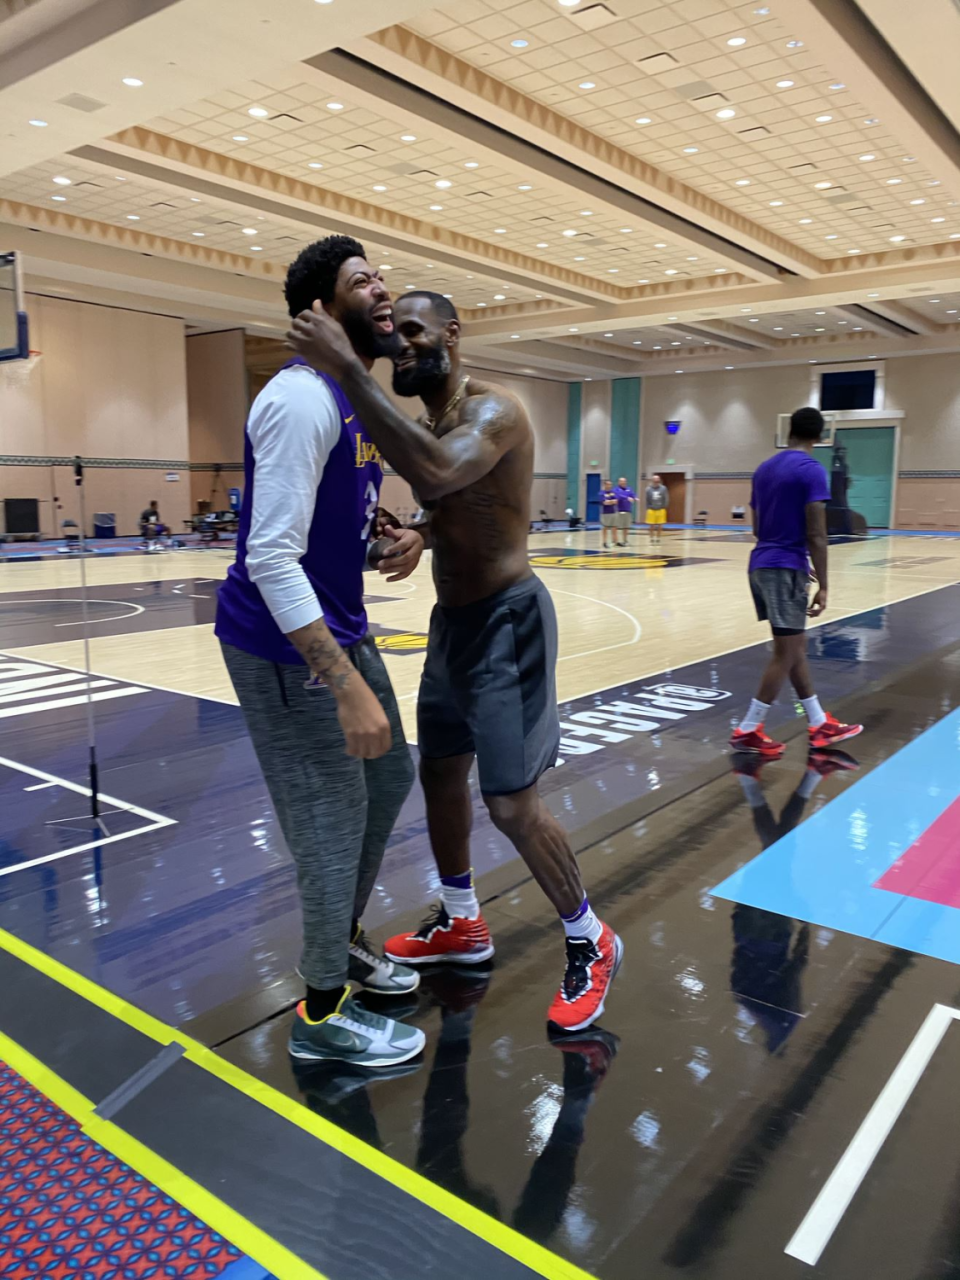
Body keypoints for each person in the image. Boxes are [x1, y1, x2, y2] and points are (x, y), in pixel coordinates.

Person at [288, 290, 622, 1033]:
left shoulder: (493, 410)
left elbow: (442, 471)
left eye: (412, 332)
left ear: (452, 332)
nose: (400, 345)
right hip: (454, 625)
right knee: (438, 771)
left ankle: (589, 938)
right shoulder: (433, 421)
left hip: (508, 626)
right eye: (390, 336)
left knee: (510, 804)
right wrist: (421, 533)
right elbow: (462, 501)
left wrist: (348, 368)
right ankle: (463, 922)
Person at [216, 235, 427, 1069]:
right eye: (361, 282)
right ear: (318, 312)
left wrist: (390, 537)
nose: (382, 291)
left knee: (389, 776)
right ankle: (322, 1010)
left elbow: (320, 521)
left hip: (337, 623)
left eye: (382, 277)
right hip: (282, 646)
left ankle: (339, 941)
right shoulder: (302, 400)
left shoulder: (349, 399)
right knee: (331, 816)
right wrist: (342, 683)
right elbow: (269, 556)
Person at [729, 407, 863, 757]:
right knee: (785, 653)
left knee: (794, 649)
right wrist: (825, 583)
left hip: (760, 564)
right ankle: (748, 728)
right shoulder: (811, 470)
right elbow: (817, 533)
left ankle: (819, 723)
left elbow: (757, 528)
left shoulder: (763, 470)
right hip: (785, 568)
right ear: (820, 437)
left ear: (788, 432)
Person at [644, 474, 668, 547]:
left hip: (661, 509)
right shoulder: (648, 489)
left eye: (657, 480)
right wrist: (648, 507)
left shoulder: (663, 488)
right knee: (651, 525)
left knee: (660, 525)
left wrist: (664, 506)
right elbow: (647, 499)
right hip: (651, 509)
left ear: (659, 480)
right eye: (654, 480)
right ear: (652, 480)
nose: (656, 481)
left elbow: (666, 498)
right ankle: (651, 539)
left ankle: (658, 538)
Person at [612, 476, 636, 547]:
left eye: (624, 481)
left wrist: (635, 498)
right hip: (618, 510)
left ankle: (625, 540)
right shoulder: (615, 490)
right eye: (621, 481)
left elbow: (633, 494)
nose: (623, 483)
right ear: (619, 482)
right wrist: (627, 497)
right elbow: (619, 496)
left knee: (626, 526)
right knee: (615, 526)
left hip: (627, 510)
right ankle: (615, 541)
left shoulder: (629, 489)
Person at [599, 479, 618, 548]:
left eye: (610, 484)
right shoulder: (602, 493)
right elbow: (604, 502)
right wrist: (611, 501)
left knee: (614, 527)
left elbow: (616, 501)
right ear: (605, 485)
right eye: (608, 484)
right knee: (605, 527)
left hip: (613, 512)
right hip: (605, 513)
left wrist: (609, 501)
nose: (609, 486)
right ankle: (604, 542)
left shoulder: (613, 492)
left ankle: (615, 541)